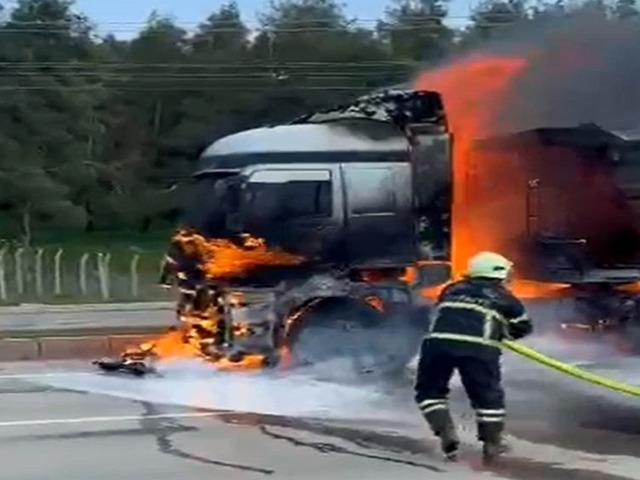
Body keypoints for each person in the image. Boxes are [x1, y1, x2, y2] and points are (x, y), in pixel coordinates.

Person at [414, 251, 533, 462]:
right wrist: (503, 332)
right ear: (499, 273)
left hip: (437, 344)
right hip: (478, 348)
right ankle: (492, 443)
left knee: (429, 392)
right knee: (487, 396)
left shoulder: (451, 289)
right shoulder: (506, 298)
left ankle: (445, 432)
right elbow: (522, 327)